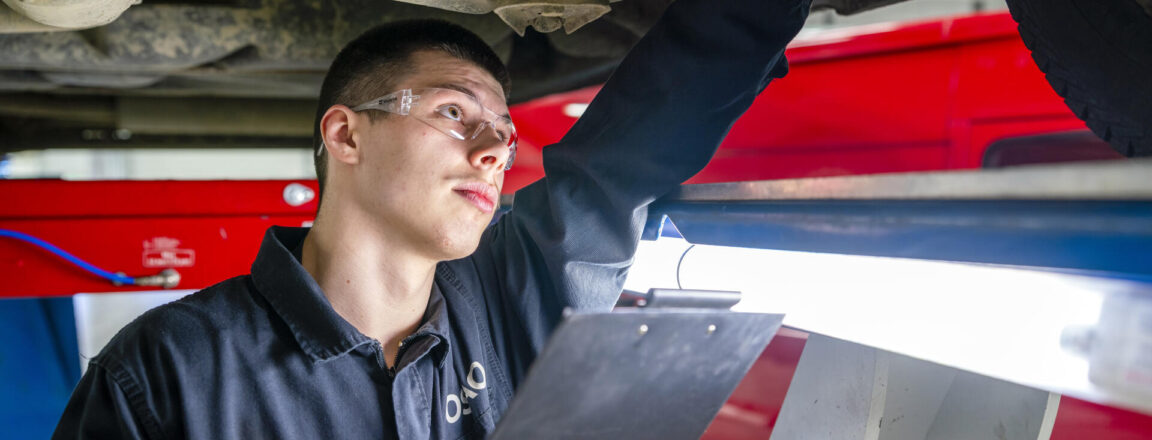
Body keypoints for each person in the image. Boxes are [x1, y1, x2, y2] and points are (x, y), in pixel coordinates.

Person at [53, 0, 810, 438]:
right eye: (454, 112)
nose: (494, 151)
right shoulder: (167, 371)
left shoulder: (514, 291)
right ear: (347, 135)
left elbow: (631, 152)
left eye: (504, 135)